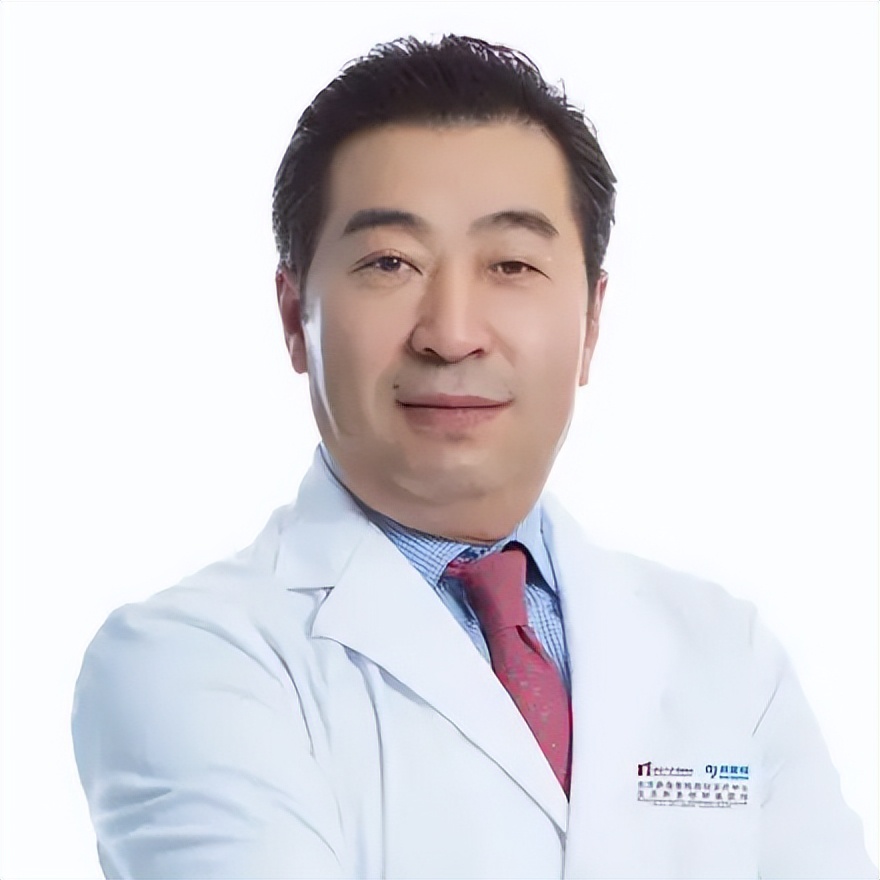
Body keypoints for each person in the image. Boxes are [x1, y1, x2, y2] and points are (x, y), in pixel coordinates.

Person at [71, 35, 876, 879]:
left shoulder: (727, 653)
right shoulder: (186, 659)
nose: (451, 333)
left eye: (512, 264)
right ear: (292, 315)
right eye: (390, 262)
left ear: (592, 320)